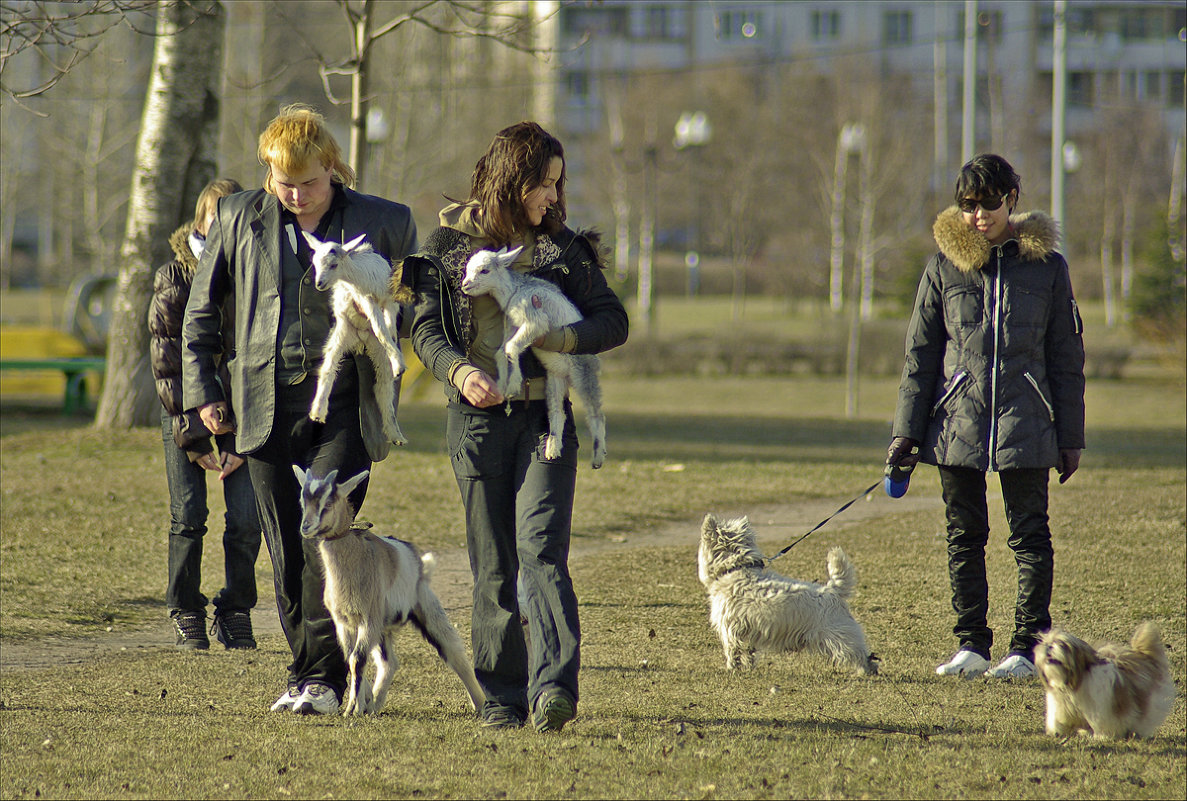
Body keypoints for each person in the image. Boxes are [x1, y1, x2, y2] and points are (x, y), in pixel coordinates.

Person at [182, 104, 418, 714]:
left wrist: (389, 328)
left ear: (332, 168)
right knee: (286, 545)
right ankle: (307, 671)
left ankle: (324, 680)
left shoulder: (384, 223)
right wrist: (205, 394)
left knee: (325, 535)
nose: (295, 195)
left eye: (308, 182)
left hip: (345, 406)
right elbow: (201, 316)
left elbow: (412, 308)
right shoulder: (238, 217)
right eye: (282, 183)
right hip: (262, 406)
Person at [400, 121, 628, 731]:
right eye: (543, 184)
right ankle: (501, 697)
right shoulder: (447, 244)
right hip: (475, 426)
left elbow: (613, 321)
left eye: (558, 184)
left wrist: (561, 336)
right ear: (511, 180)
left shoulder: (564, 251)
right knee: (494, 564)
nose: (553, 197)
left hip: (544, 421)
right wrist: (456, 373)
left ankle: (553, 690)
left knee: (542, 551)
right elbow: (423, 329)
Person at [887, 154, 1085, 680]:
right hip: (958, 424)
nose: (979, 215)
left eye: (990, 203)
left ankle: (1026, 649)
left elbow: (1066, 357)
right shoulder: (941, 269)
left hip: (1028, 420)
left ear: (1011, 201)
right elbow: (920, 357)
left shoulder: (1048, 269)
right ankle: (971, 645)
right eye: (969, 205)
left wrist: (1071, 436)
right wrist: (906, 433)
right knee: (963, 535)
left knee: (1030, 536)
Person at [150, 177, 261, 650]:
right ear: (201, 220)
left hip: (242, 417)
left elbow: (255, 360)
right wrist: (195, 436)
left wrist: (235, 439)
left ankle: (235, 610)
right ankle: (185, 609)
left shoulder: (256, 277)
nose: (223, 227)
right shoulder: (173, 276)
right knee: (189, 515)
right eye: (216, 217)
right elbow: (167, 364)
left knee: (247, 519)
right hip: (182, 413)